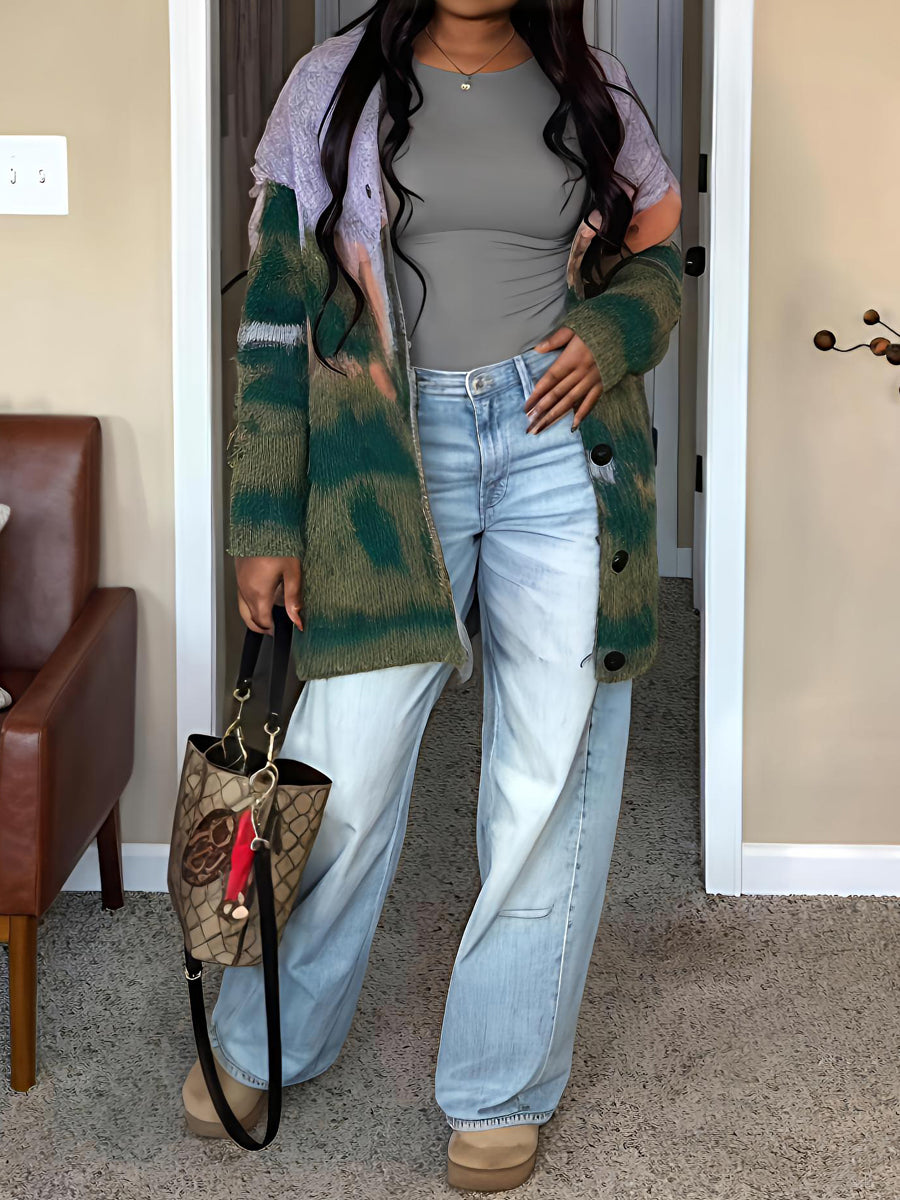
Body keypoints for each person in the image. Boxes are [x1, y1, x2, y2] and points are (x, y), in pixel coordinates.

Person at [181, 0, 683, 1190]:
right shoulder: (331, 85)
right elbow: (276, 315)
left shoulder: (592, 83)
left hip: (559, 443)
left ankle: (501, 1082)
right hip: (388, 457)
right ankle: (263, 1038)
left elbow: (658, 252)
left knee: (546, 771)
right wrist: (265, 517)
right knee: (344, 770)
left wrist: (614, 330)